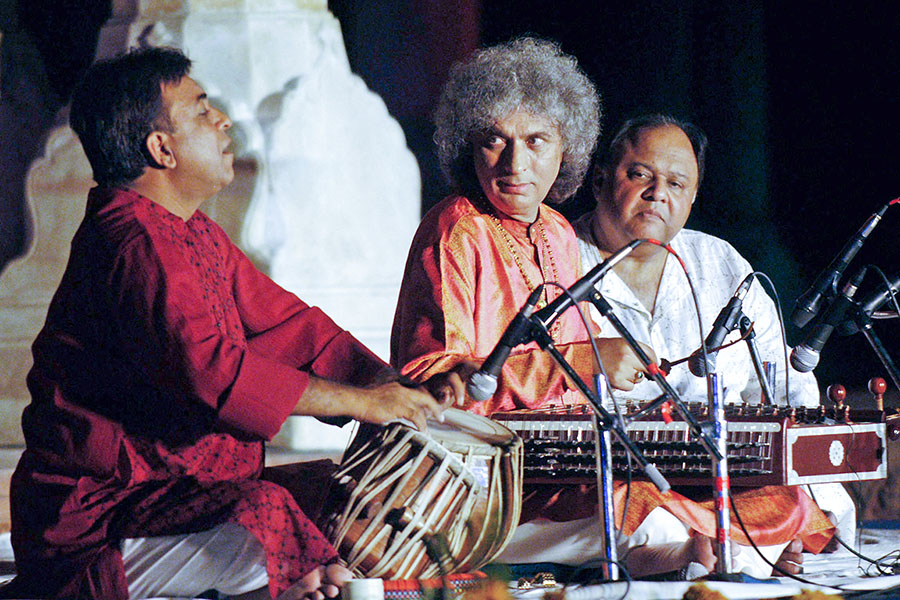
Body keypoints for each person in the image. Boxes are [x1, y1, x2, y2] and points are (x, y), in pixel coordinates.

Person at [0, 47, 461, 600]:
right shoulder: (132, 242)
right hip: (98, 519)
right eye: (201, 111)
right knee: (266, 513)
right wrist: (362, 403)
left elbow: (290, 328)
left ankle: (306, 581)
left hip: (175, 494)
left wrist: (391, 387)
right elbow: (210, 371)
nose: (222, 121)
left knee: (333, 491)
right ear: (160, 148)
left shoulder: (191, 232)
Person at [567, 114, 850, 578]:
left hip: (722, 482)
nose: (658, 193)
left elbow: (787, 389)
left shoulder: (719, 264)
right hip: (608, 481)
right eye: (640, 175)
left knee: (789, 506)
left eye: (677, 183)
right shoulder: (560, 256)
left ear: (693, 198)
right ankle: (707, 551)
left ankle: (725, 547)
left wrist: (820, 498)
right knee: (625, 512)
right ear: (600, 180)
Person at [390, 37, 649, 420]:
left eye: (535, 141)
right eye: (495, 140)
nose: (515, 163)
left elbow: (582, 350)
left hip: (562, 453)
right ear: (469, 148)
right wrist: (579, 361)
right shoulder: (457, 230)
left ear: (566, 148)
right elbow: (432, 382)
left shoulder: (558, 230)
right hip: (484, 466)